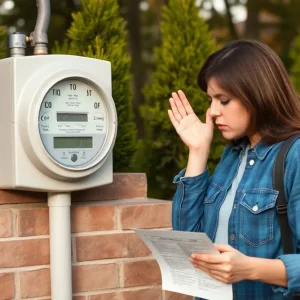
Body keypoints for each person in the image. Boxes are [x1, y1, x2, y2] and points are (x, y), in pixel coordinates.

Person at [168, 40, 300, 300]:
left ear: (257, 94)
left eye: (224, 100)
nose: (213, 111)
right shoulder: (232, 156)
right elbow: (189, 240)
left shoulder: (294, 155)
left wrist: (249, 268)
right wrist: (197, 151)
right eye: (211, 100)